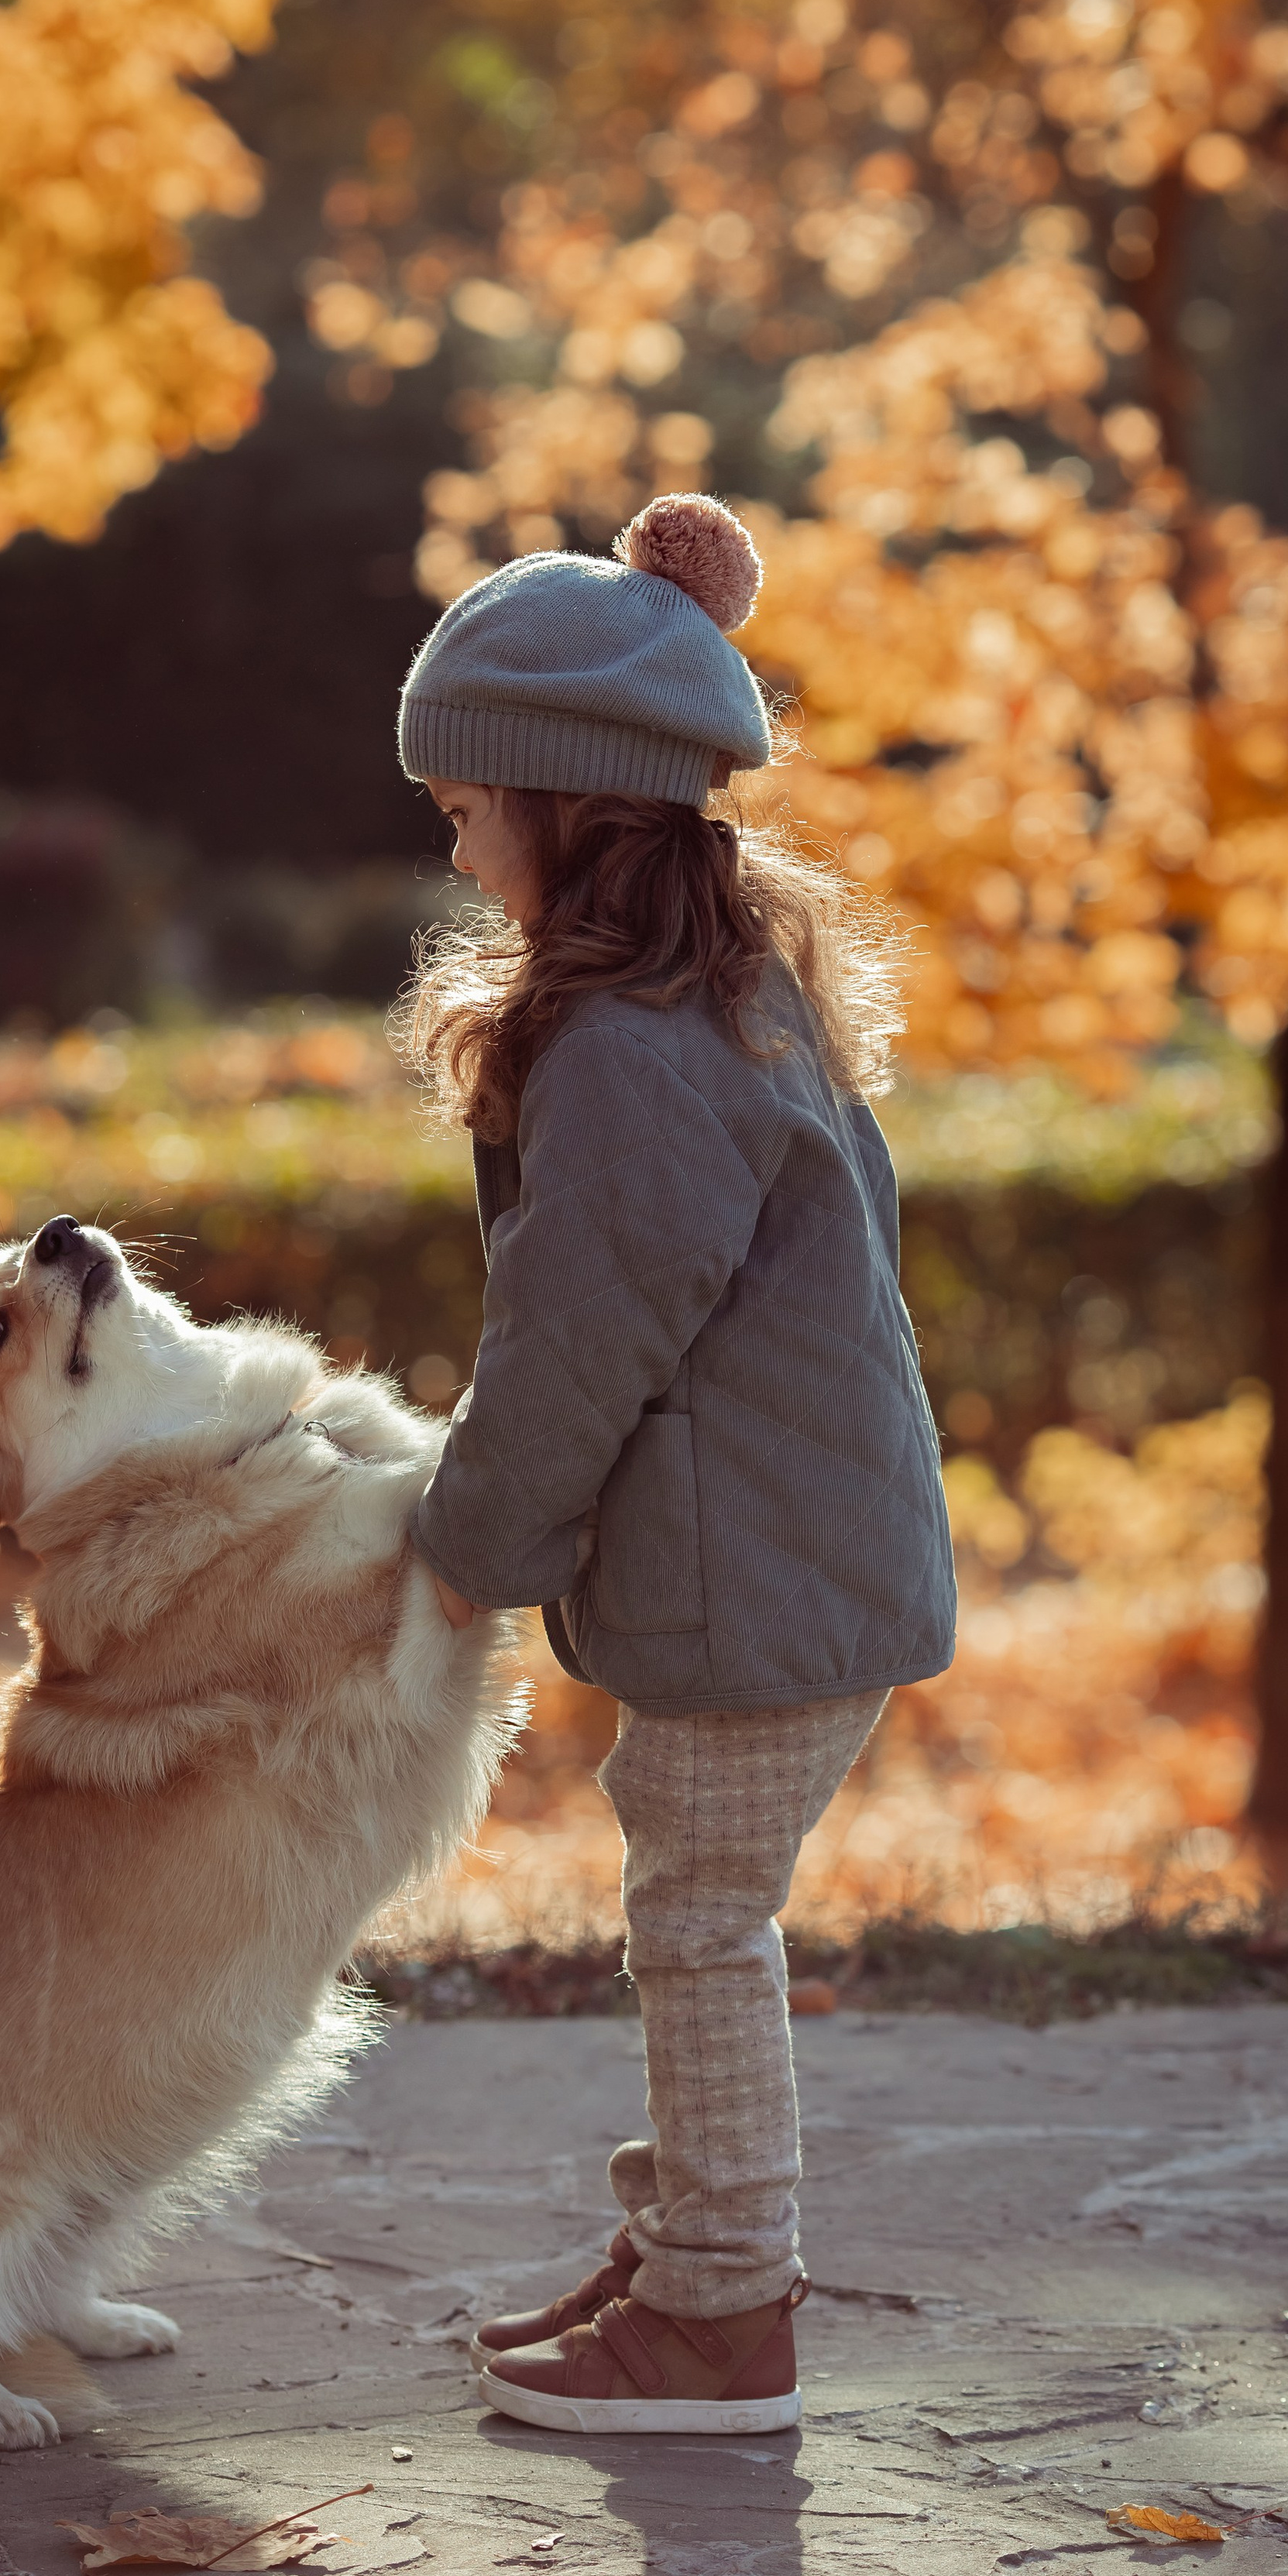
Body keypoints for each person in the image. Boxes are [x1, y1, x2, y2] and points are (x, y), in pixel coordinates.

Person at [393, 493, 957, 2435]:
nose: (456, 844)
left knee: (698, 1924)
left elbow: (579, 1346)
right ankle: (683, 2249)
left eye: (473, 807)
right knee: (692, 1902)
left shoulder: (634, 1050)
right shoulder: (725, 999)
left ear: (575, 803)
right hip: (793, 1556)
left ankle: (722, 2309)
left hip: (761, 1581)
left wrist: (462, 1548)